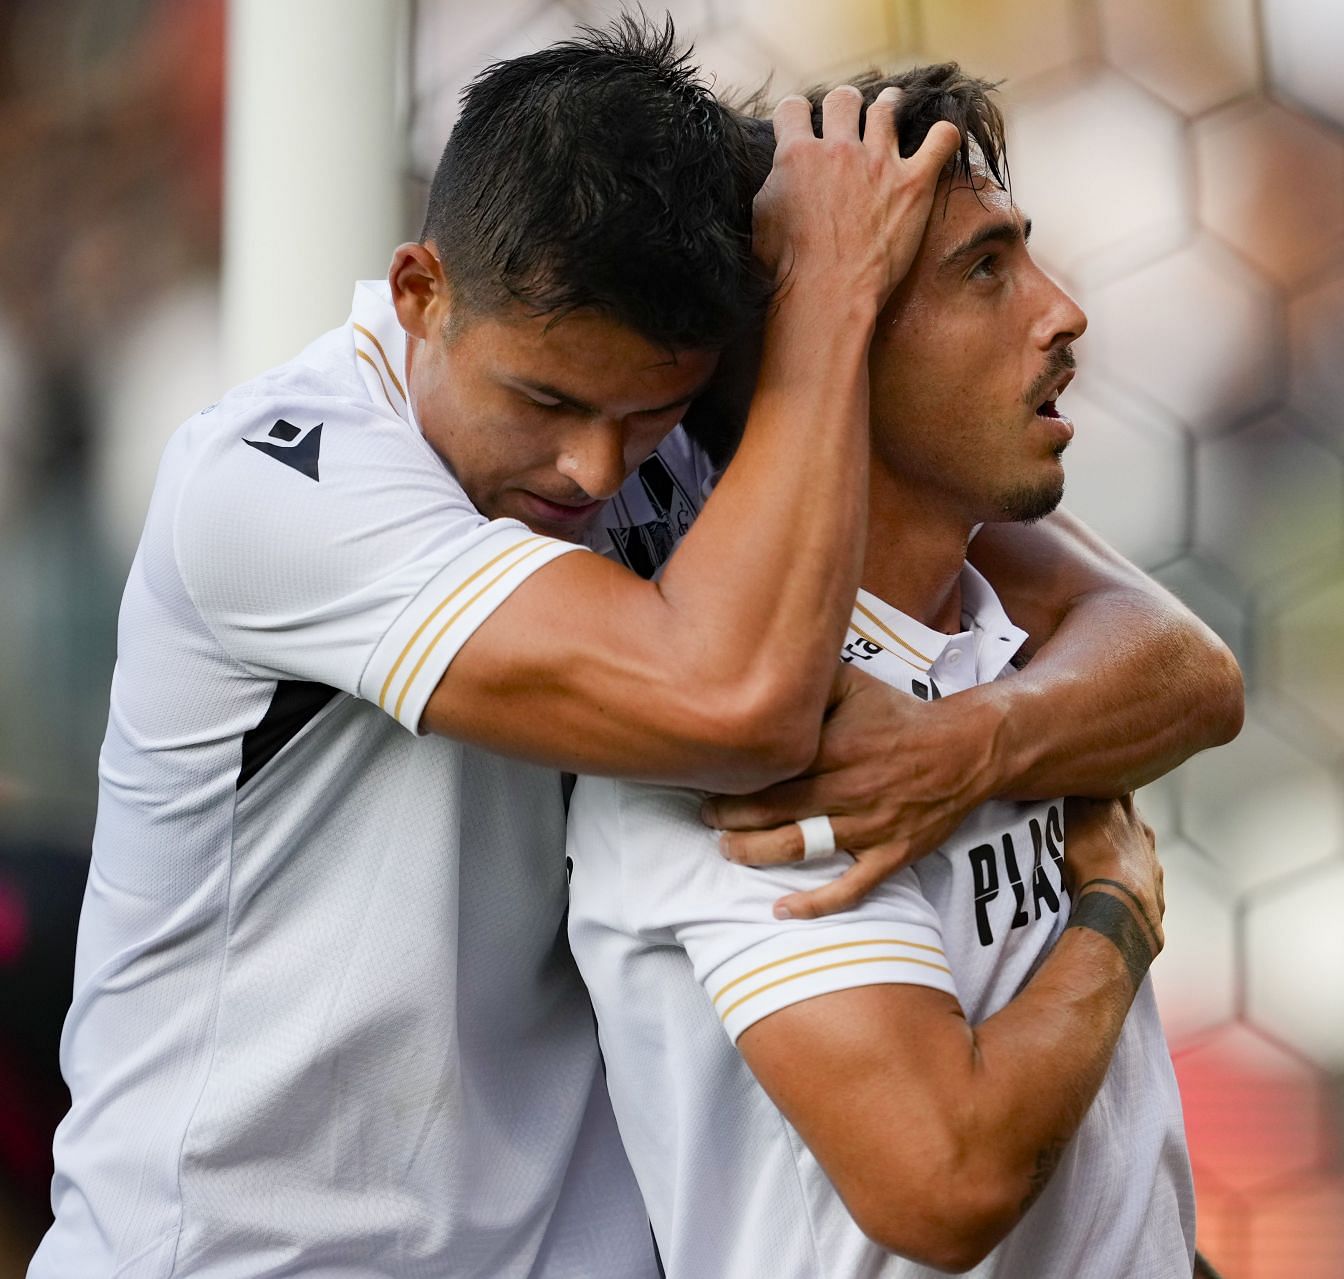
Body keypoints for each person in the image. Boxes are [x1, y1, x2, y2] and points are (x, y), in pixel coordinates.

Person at [32, 19, 1242, 1279]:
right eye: (546, 402)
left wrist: (970, 741)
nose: (598, 469)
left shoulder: (694, 440)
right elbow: (732, 703)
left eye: (652, 411)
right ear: (420, 293)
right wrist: (829, 287)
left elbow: (1184, 662)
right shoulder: (277, 479)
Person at [567, 68, 1215, 1278]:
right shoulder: (738, 735)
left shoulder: (999, 628)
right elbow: (944, 1180)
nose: (1063, 312)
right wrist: (1115, 917)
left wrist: (979, 740)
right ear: (838, 332)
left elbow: (1202, 675)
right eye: (985, 271)